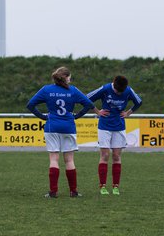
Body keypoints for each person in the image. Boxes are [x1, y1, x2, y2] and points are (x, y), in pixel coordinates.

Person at [27, 66, 106, 198]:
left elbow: (30, 105)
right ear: (67, 78)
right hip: (68, 126)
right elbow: (89, 104)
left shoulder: (47, 89)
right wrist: (77, 116)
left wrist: (42, 117)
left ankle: (53, 192)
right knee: (69, 160)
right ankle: (73, 191)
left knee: (54, 159)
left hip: (52, 126)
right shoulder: (73, 90)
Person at [87, 75, 142, 196]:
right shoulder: (105, 89)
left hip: (119, 127)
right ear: (113, 84)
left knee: (116, 156)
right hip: (104, 126)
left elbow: (139, 101)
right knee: (105, 155)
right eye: (116, 91)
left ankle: (116, 186)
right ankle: (102, 186)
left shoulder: (128, 90)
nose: (118, 93)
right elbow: (87, 98)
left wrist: (128, 113)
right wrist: (97, 111)